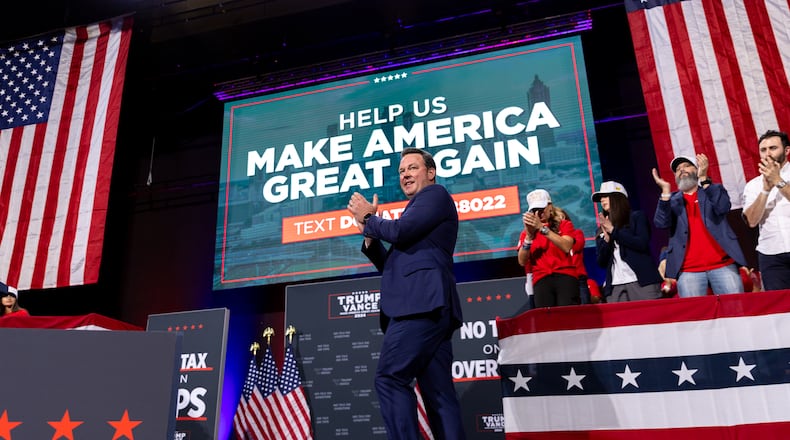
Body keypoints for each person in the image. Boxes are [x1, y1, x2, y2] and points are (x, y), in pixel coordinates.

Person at [347, 147, 465, 440]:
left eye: (412, 168)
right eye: (401, 171)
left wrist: (370, 218)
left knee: (389, 378)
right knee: (439, 398)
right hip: (429, 306)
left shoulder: (435, 196)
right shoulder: (416, 213)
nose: (405, 174)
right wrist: (370, 234)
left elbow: (400, 232)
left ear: (430, 172)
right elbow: (392, 266)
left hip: (421, 306)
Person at [652, 153, 747, 297]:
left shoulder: (712, 190)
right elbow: (661, 223)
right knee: (697, 317)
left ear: (697, 170)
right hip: (688, 270)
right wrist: (665, 192)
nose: (682, 170)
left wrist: (704, 179)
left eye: (687, 166)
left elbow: (722, 207)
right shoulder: (671, 200)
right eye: (678, 169)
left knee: (736, 312)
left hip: (723, 265)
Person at [593, 181, 663, 302]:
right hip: (615, 285)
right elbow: (601, 262)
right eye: (601, 198)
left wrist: (614, 231)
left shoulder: (636, 217)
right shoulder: (602, 228)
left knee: (651, 318)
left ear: (618, 198)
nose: (602, 200)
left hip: (642, 281)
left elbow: (641, 243)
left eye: (606, 196)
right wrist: (607, 240)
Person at [742, 129, 790, 291]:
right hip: (771, 256)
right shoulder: (753, 185)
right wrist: (765, 191)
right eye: (763, 150)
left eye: (773, 148)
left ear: (787, 150)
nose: (767, 153)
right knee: (780, 310)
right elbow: (751, 221)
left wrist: (778, 181)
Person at [517, 189, 579, 307]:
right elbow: (522, 261)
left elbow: (566, 246)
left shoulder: (564, 225)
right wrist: (529, 237)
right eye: (534, 210)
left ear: (550, 206)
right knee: (547, 321)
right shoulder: (526, 233)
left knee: (568, 319)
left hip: (565, 276)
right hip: (541, 280)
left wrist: (542, 229)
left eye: (541, 209)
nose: (539, 213)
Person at [553, 207, 591, 304]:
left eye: (559, 216)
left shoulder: (577, 233)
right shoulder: (552, 238)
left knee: (584, 308)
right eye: (555, 218)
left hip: (578, 277)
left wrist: (565, 238)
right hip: (562, 278)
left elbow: (577, 246)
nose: (558, 220)